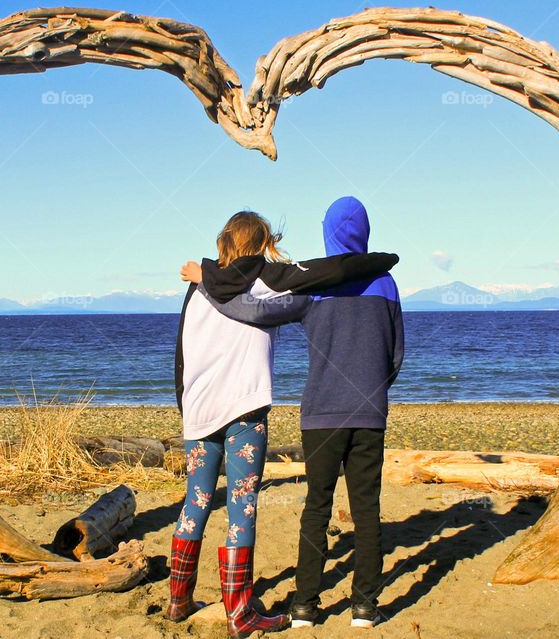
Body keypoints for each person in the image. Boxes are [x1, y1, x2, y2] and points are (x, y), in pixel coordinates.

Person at [169, 210, 398, 639]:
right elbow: (336, 270)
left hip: (199, 413)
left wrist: (185, 405)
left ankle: (178, 599)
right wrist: (380, 260)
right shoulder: (268, 282)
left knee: (194, 504)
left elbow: (181, 352)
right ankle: (239, 611)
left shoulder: (197, 290)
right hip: (245, 412)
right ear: (261, 245)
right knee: (242, 508)